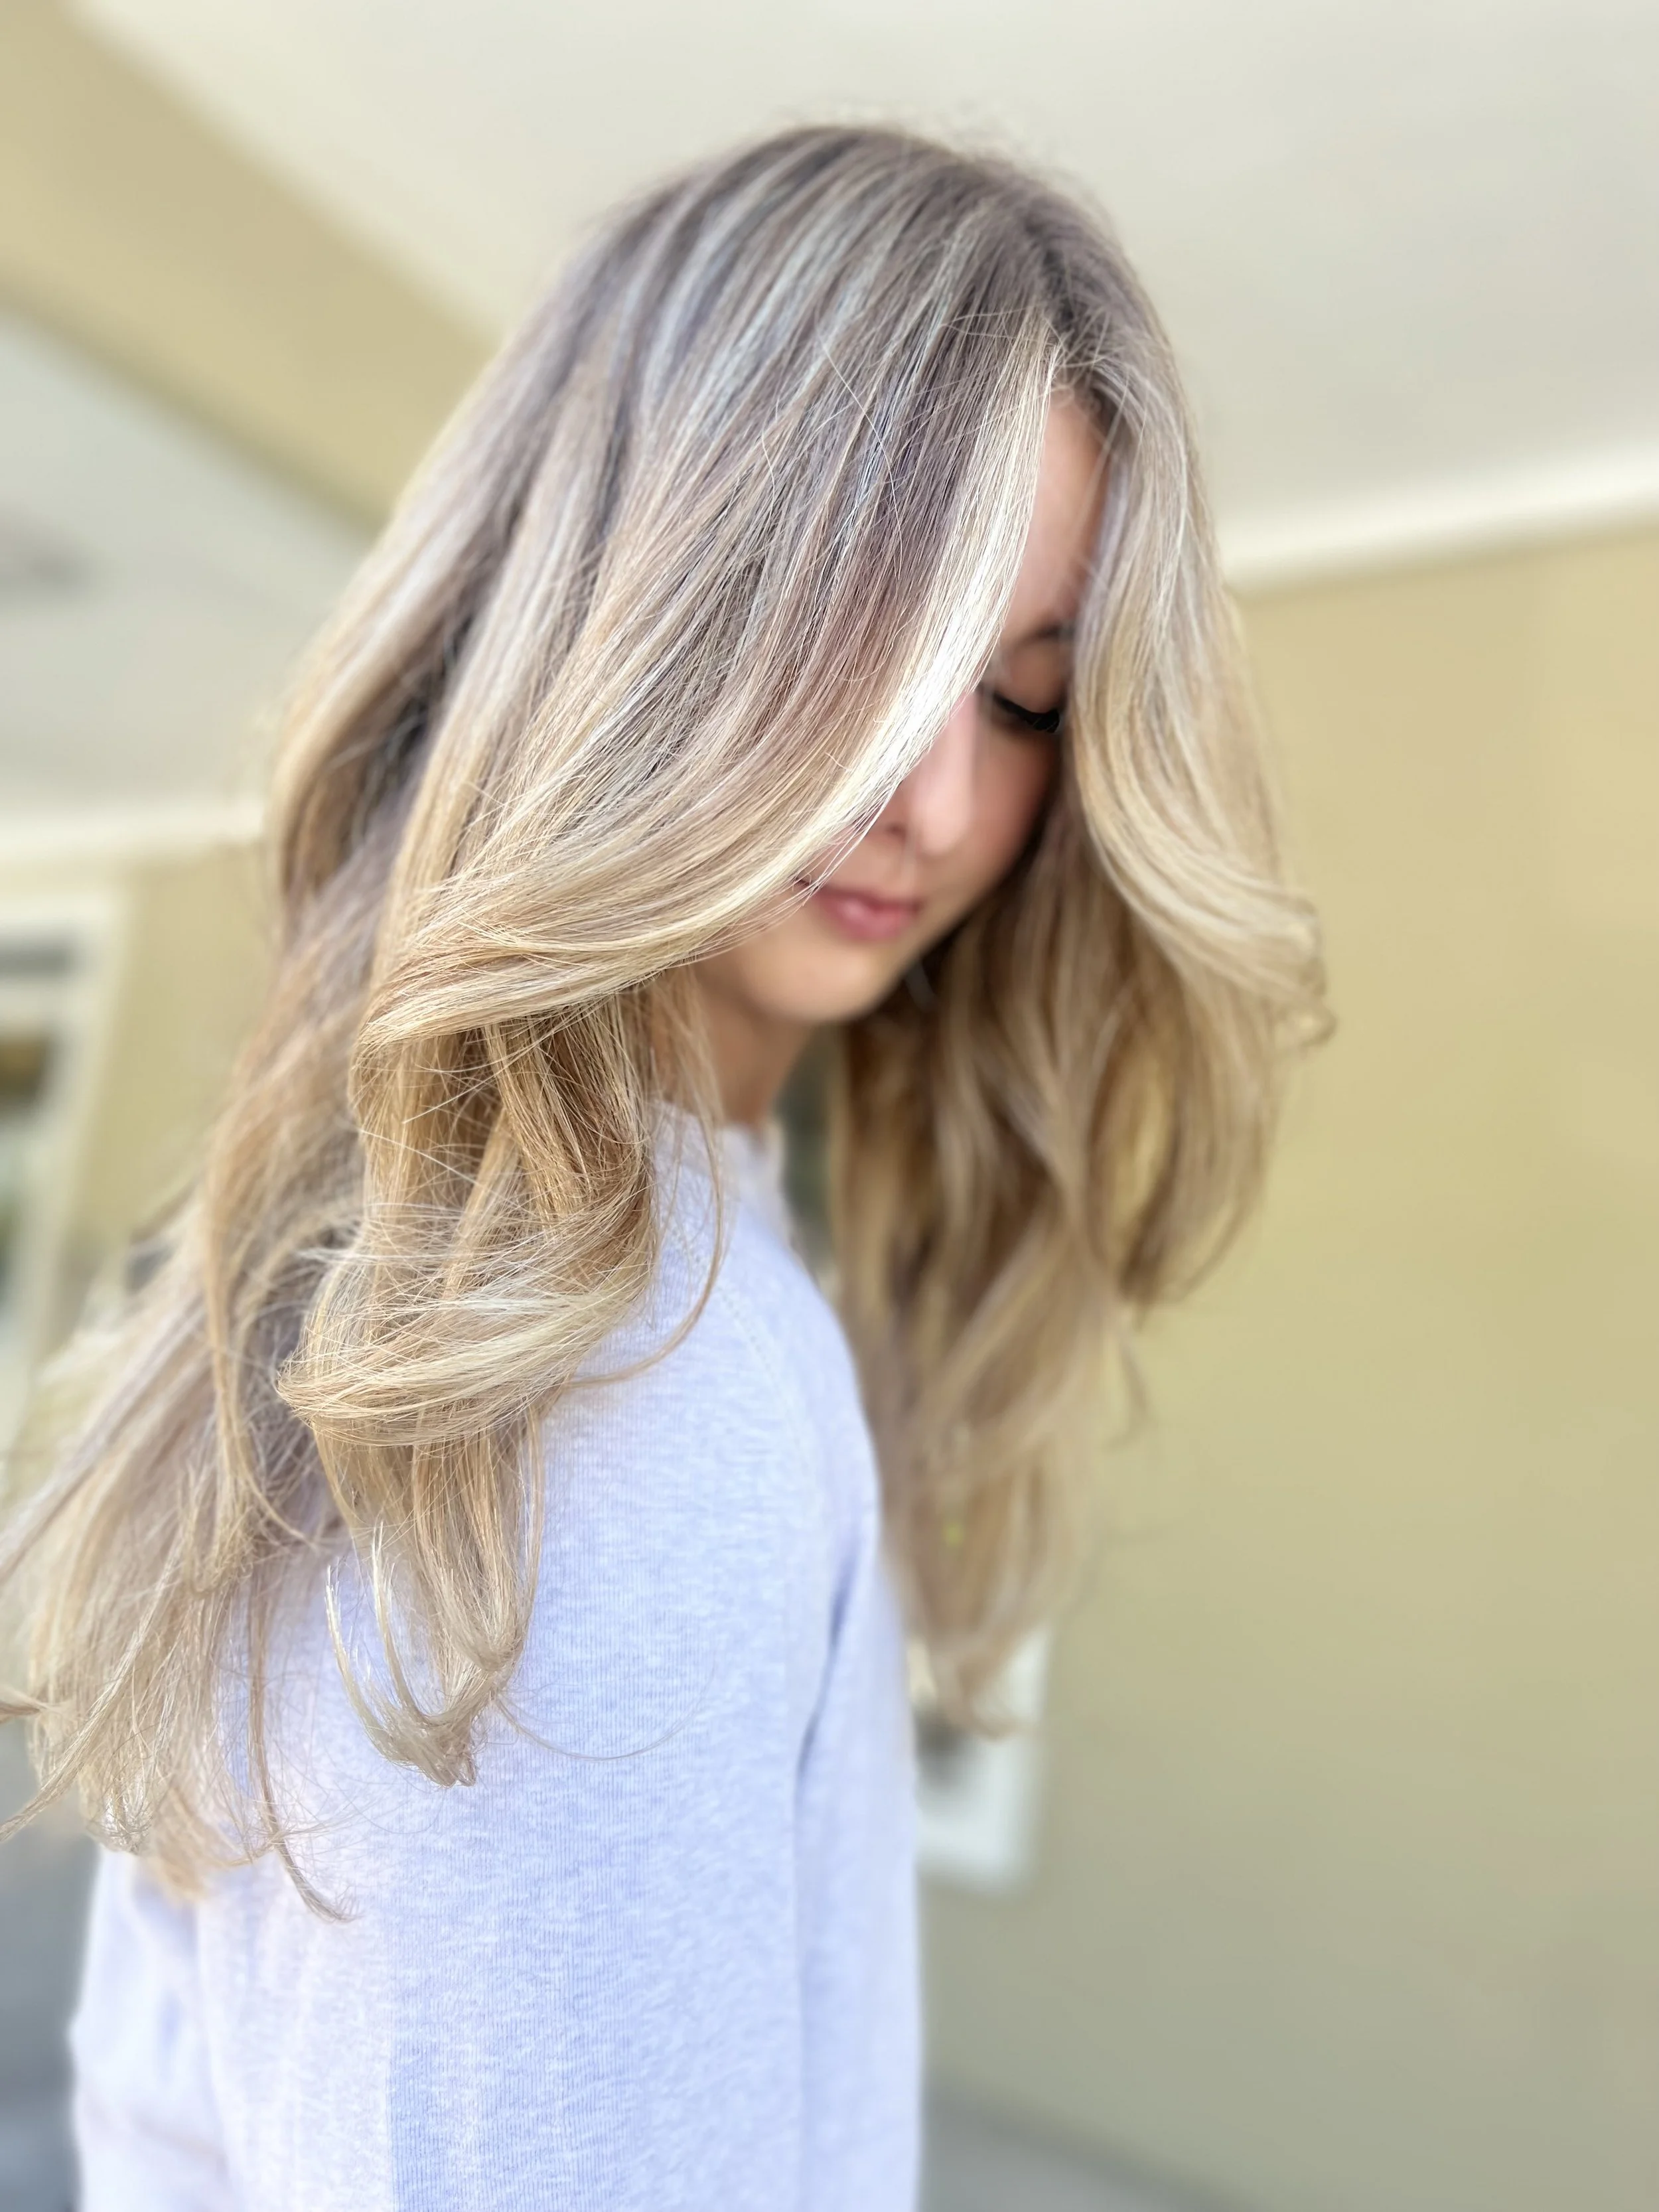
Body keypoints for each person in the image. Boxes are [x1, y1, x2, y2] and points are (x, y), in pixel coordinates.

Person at [0, 126, 1324, 2209]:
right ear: (622, 601)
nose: (937, 798)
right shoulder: (611, 1364)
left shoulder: (469, 1271)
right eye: (863, 639)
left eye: (1022, 695)